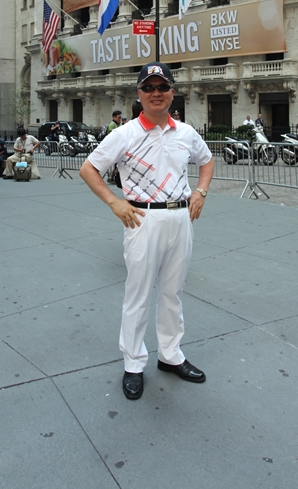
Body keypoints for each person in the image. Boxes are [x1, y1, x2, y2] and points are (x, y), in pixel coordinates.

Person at [80, 61, 214, 401]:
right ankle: (133, 363)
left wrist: (201, 191)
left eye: (162, 87)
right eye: (149, 87)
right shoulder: (124, 134)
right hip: (142, 219)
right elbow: (89, 169)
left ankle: (170, 355)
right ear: (139, 94)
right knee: (138, 294)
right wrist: (114, 202)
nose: (157, 93)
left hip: (180, 218)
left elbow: (207, 160)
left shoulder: (186, 132)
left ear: (172, 92)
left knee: (173, 291)